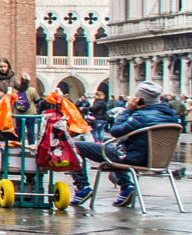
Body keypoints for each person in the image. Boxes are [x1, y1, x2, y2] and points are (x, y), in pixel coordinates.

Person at [74, 81, 182, 209]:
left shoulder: (139, 116)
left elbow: (115, 131)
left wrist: (128, 110)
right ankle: (125, 188)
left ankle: (82, 187)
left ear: (140, 99)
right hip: (159, 161)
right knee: (118, 149)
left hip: (134, 160)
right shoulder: (171, 117)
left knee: (75, 146)